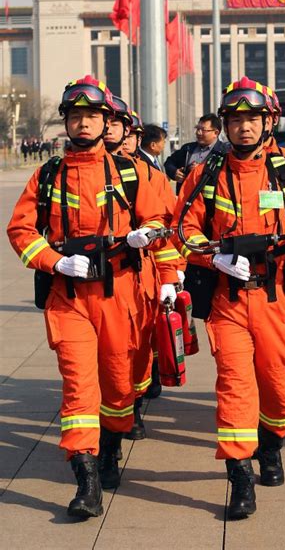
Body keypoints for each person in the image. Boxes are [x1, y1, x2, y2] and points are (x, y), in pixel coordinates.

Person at [7, 75, 172, 519]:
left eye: (92, 116)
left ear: (107, 121)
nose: (83, 124)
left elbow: (161, 221)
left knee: (119, 385)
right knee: (79, 386)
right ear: (66, 123)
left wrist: (146, 236)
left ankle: (111, 445)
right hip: (70, 295)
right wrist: (54, 262)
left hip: (123, 292)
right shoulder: (46, 175)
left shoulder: (134, 172)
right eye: (75, 116)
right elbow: (21, 230)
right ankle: (86, 479)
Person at [172, 76, 285, 520]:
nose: (244, 127)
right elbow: (183, 230)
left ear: (268, 122)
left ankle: (272, 443)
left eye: (252, 119)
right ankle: (240, 475)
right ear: (225, 125)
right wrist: (213, 258)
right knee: (235, 386)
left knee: (279, 391)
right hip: (229, 300)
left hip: (281, 297)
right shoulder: (207, 174)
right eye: (236, 119)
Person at [104, 99, 181, 435]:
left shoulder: (150, 176)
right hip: (98, 280)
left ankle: (133, 404)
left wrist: (173, 272)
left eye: (129, 135)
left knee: (141, 344)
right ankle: (117, 421)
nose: (123, 141)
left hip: (143, 271)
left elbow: (168, 224)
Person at [164, 114, 228, 193]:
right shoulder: (188, 148)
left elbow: (225, 177)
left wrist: (202, 170)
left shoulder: (224, 152)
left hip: (208, 201)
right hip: (185, 198)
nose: (198, 133)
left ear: (216, 133)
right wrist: (174, 172)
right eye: (197, 129)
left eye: (203, 130)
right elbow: (169, 162)